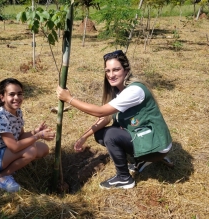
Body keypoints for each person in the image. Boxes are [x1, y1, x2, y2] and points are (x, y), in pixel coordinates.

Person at [56, 50, 172, 190]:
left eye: (116, 70)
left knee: (111, 135)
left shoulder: (134, 91)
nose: (111, 75)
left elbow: (99, 111)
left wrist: (69, 99)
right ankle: (141, 160)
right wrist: (83, 137)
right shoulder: (119, 91)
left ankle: (124, 178)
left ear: (126, 70)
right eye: (108, 71)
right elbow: (105, 118)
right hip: (146, 138)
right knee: (100, 134)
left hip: (157, 145)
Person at [0, 78, 55, 192]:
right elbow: (14, 147)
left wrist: (35, 131)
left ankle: (12, 165)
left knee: (43, 149)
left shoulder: (17, 111)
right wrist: (38, 136)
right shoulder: (1, 117)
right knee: (31, 151)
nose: (17, 98)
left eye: (19, 94)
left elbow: (21, 136)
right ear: (2, 97)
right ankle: (2, 176)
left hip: (5, 149)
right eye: (12, 94)